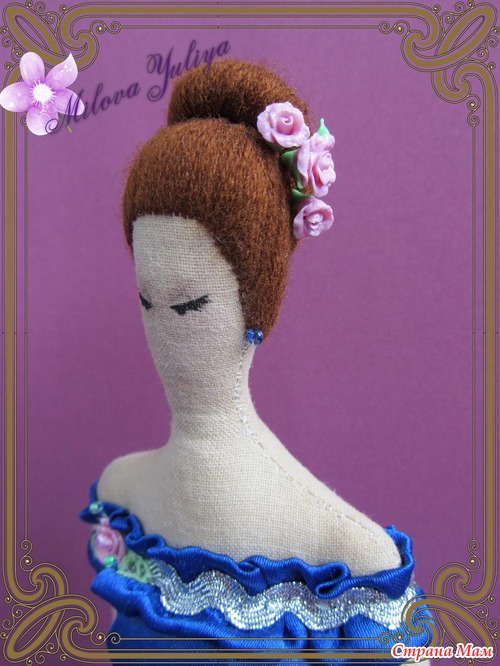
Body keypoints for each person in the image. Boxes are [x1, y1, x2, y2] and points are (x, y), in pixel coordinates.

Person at [81, 59, 432, 664]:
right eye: (145, 301)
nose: (163, 332)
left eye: (190, 305)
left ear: (256, 304)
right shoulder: (121, 497)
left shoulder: (350, 558)